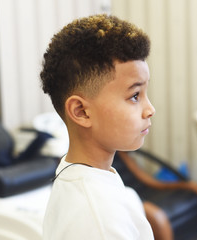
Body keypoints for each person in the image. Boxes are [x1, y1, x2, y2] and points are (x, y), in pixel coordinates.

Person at [40, 14, 155, 239]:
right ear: (81, 112)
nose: (150, 109)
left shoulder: (75, 173)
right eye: (134, 95)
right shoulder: (100, 220)